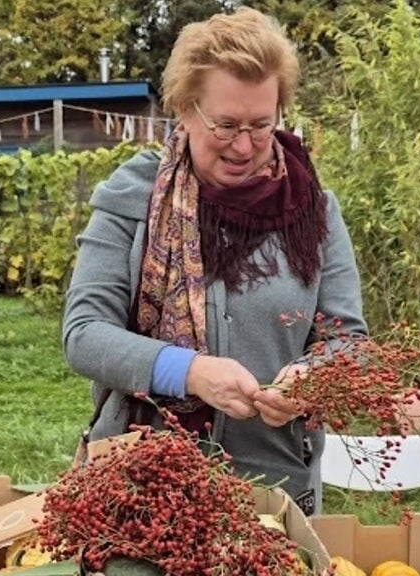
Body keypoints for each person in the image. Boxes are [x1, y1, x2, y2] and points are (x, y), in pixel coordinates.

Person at [62, 7, 368, 516]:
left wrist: (310, 380)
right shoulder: (133, 198)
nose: (244, 146)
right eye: (225, 125)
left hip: (273, 492)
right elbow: (84, 333)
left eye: (261, 125)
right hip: (140, 490)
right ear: (184, 109)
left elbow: (349, 341)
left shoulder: (312, 211)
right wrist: (189, 371)